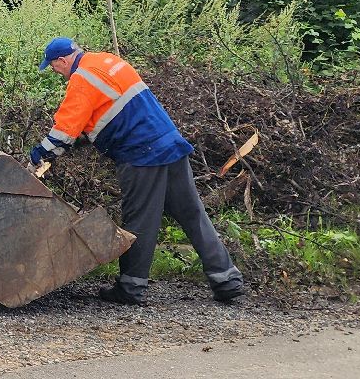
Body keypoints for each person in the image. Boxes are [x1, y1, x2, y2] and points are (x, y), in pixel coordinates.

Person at [31, 37, 247, 306]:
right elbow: (116, 109)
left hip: (142, 154)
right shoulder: (108, 61)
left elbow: (64, 131)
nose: (56, 73)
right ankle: (227, 280)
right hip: (169, 142)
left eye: (53, 67)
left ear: (62, 60)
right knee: (192, 213)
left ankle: (131, 287)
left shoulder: (81, 79)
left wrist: (41, 154)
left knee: (139, 221)